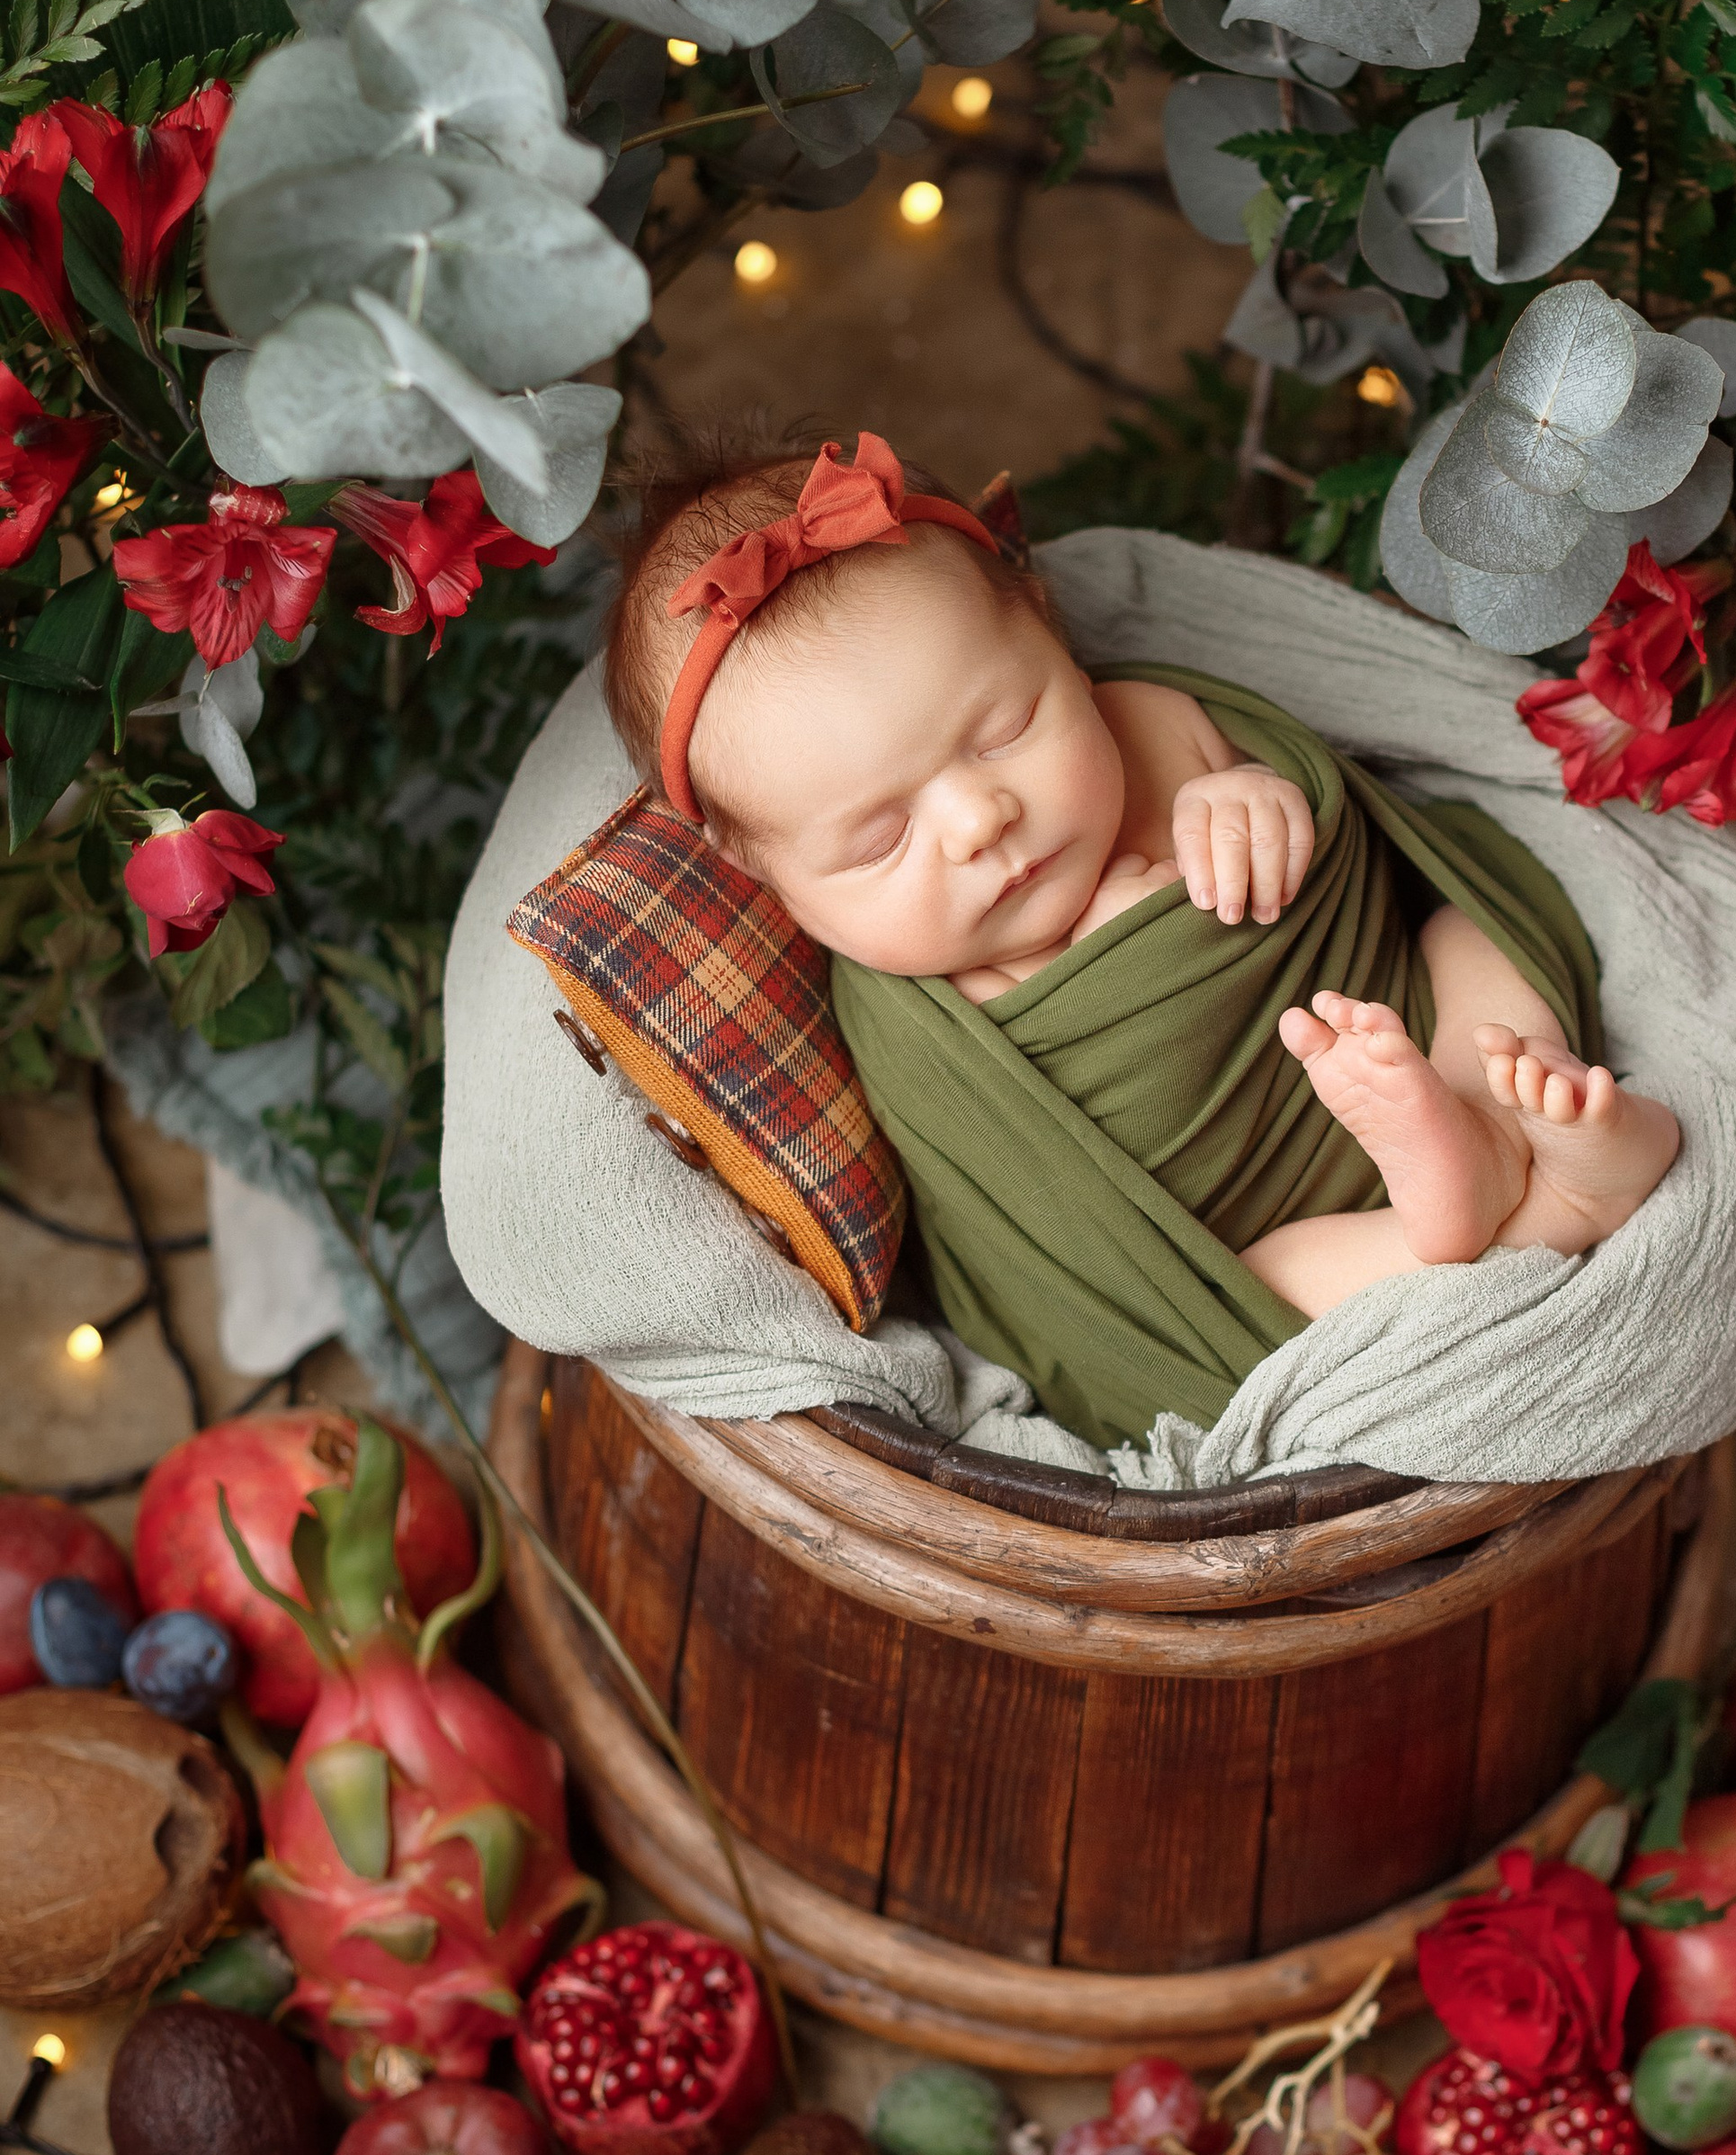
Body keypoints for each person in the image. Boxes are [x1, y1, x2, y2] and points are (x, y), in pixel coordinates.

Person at [601, 434, 1681, 1446]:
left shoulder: (1154, 730)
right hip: (1261, 1233)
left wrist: (1249, 797)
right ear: (764, 875)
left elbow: (1354, 833)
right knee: (1287, 1277)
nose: (980, 820)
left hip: (1401, 1025)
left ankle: (1492, 1120)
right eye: (882, 838)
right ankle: (1558, 1194)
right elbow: (1038, 1248)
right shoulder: (908, 1026)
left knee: (1464, 935)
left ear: (1052, 633)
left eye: (1006, 730)